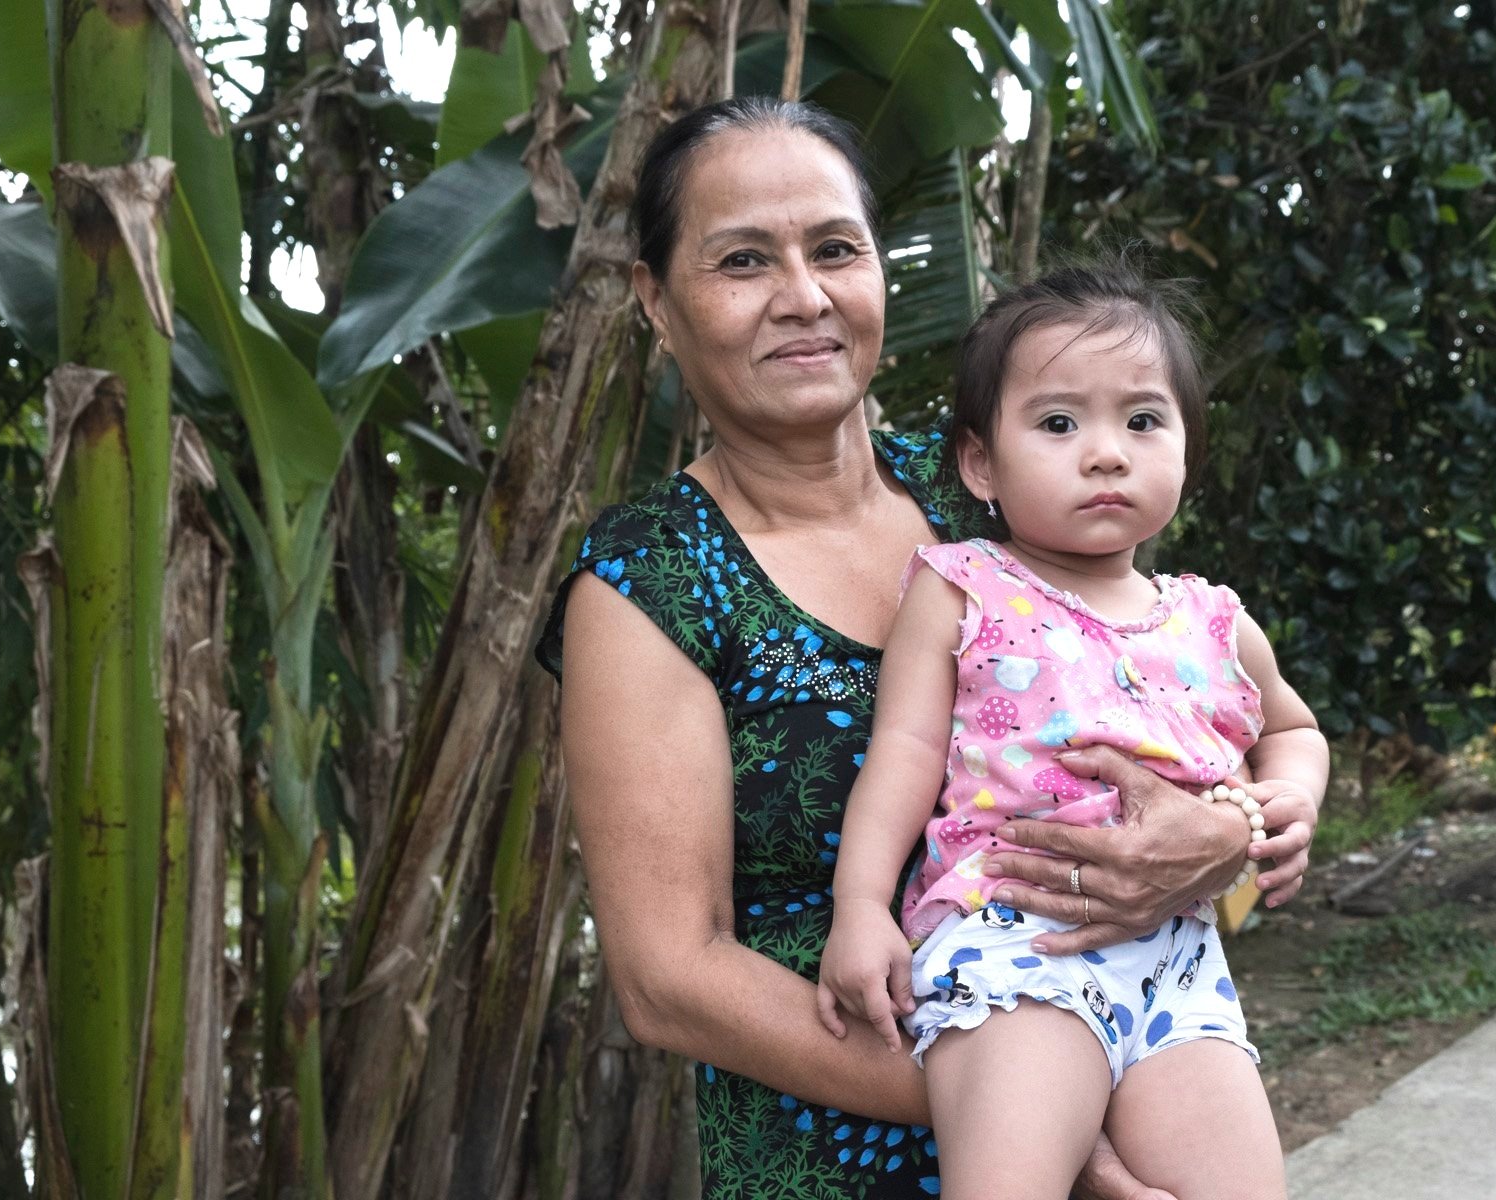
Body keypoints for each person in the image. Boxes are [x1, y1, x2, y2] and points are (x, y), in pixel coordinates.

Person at [536, 96, 1320, 1199]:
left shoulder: (1002, 485)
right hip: (847, 1148)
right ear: (659, 303)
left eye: (836, 249)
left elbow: (1190, 700)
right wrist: (1046, 1114)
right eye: (744, 260)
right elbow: (671, 979)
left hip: (1145, 1076)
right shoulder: (649, 580)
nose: (803, 297)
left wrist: (1234, 828)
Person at [813, 261, 1329, 1200]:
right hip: (1013, 948)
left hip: (1179, 966)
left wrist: (1288, 798)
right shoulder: (962, 585)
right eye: (1058, 423)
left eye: (1143, 421)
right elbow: (907, 751)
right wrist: (859, 907)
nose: (1105, 453)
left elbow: (1293, 728)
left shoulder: (1211, 617)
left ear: (1185, 448)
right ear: (981, 462)